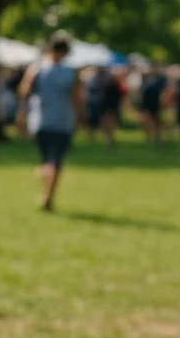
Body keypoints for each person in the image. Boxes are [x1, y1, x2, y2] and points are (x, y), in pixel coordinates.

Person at [18, 35, 83, 212]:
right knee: (56, 161)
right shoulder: (71, 72)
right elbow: (76, 98)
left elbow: (24, 90)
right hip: (63, 121)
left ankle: (46, 191)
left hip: (40, 120)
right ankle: (48, 195)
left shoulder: (37, 68)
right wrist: (79, 118)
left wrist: (23, 113)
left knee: (47, 160)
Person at [84, 67, 122, 145]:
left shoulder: (106, 80)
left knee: (107, 121)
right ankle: (107, 138)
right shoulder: (96, 79)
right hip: (104, 103)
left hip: (106, 103)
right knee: (106, 121)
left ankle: (108, 138)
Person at [137, 66, 168, 146]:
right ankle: (150, 134)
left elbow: (164, 91)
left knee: (155, 120)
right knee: (144, 120)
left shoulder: (162, 80)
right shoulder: (146, 78)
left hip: (155, 102)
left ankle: (155, 137)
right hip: (145, 102)